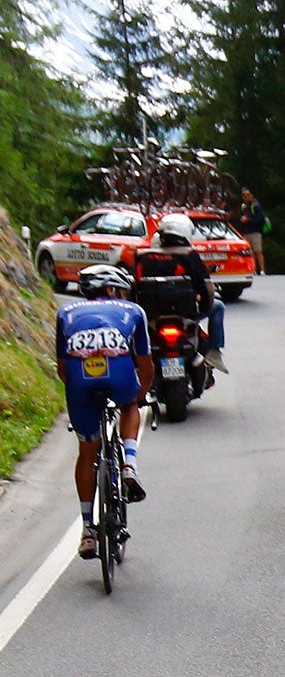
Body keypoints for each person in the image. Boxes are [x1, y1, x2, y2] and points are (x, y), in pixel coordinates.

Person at [57, 264, 155, 558]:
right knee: (130, 404)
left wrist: (81, 392)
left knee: (87, 451)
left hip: (79, 378)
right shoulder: (133, 310)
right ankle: (129, 465)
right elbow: (145, 362)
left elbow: (63, 368)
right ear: (113, 289)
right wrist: (141, 393)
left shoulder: (66, 312)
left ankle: (88, 530)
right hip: (120, 373)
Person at [136, 213, 227, 373]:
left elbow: (133, 284)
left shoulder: (143, 255)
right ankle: (214, 351)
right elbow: (206, 288)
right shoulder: (189, 255)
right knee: (218, 307)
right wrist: (204, 305)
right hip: (186, 312)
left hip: (150, 314)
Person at [235, 188, 267, 275]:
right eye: (244, 196)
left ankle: (262, 270)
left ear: (251, 196)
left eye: (247, 195)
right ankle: (253, 269)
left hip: (255, 232)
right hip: (246, 232)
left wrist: (248, 220)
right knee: (250, 252)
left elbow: (260, 219)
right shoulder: (243, 207)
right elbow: (240, 217)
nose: (246, 197)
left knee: (258, 251)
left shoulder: (255, 206)